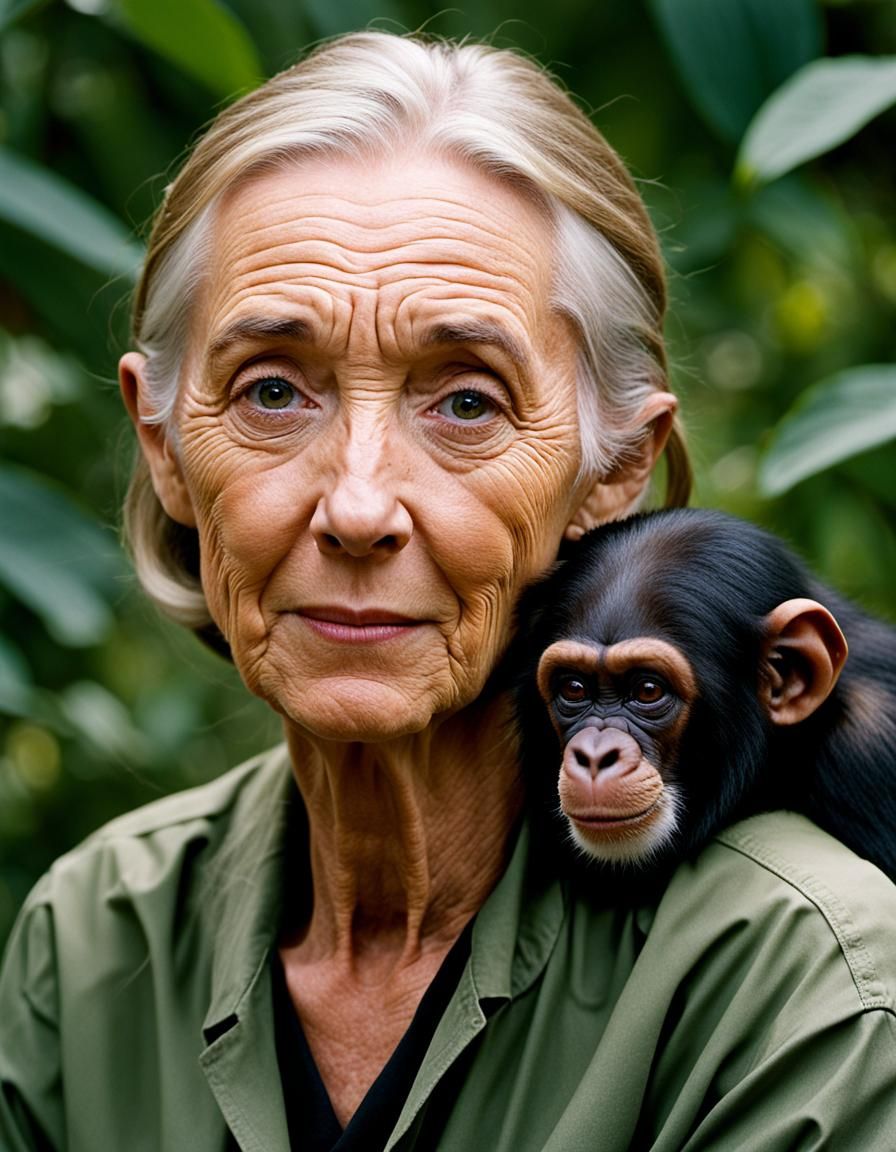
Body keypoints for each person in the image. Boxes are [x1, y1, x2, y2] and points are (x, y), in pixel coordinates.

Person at [1, 31, 895, 1152]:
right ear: (165, 445)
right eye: (274, 391)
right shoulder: (92, 941)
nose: (360, 506)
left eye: (465, 403)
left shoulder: (795, 969)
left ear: (612, 469)